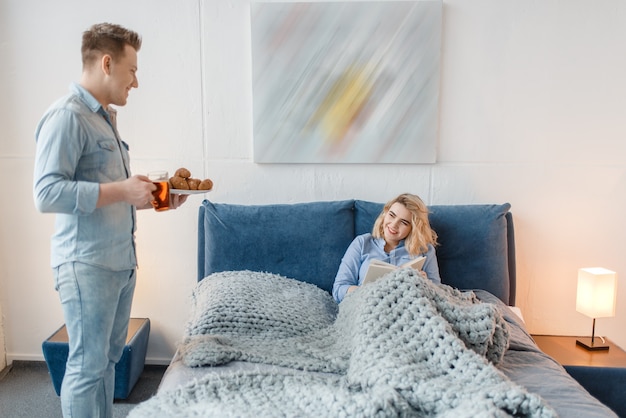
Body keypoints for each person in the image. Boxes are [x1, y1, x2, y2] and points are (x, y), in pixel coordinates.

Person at [33, 23, 187, 417]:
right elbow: (46, 194)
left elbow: (110, 194)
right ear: (106, 63)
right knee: (87, 367)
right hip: (87, 264)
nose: (136, 80)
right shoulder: (67, 117)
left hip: (119, 264)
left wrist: (159, 199)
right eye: (132, 69)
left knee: (104, 365)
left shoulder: (104, 120)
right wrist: (121, 190)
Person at [332, 193, 441, 303]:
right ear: (385, 213)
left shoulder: (425, 251)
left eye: (404, 222)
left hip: (407, 308)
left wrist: (425, 284)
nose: (394, 225)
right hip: (367, 305)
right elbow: (339, 290)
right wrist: (370, 293)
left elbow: (439, 294)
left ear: (413, 228)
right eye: (392, 215)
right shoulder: (362, 243)